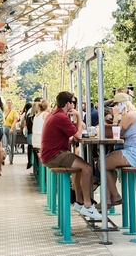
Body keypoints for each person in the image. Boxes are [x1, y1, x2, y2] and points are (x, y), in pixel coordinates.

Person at [40, 91, 103, 222]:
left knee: (80, 166)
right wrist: (79, 116)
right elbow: (79, 136)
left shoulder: (55, 114)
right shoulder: (61, 117)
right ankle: (87, 205)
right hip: (54, 155)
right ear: (68, 103)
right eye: (73, 102)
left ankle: (79, 202)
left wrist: (77, 124)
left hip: (51, 153)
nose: (74, 105)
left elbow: (71, 133)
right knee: (87, 168)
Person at [102, 91, 136, 207]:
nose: (114, 108)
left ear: (121, 105)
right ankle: (108, 199)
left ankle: (115, 196)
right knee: (107, 163)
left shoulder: (129, 115)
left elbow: (116, 134)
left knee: (102, 164)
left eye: (116, 105)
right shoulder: (132, 114)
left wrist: (116, 116)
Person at [29, 99, 48, 173]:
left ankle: (41, 171)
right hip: (41, 141)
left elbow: (33, 129)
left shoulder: (36, 115)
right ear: (47, 107)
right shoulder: (46, 114)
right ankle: (47, 173)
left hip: (35, 141)